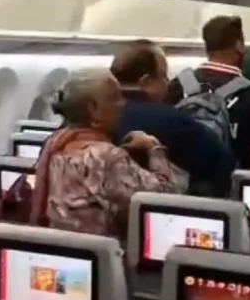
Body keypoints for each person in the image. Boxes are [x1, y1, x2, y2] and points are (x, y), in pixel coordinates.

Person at [30, 69, 187, 238]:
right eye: (114, 97)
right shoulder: (107, 157)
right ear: (93, 109)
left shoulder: (55, 144)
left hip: (59, 244)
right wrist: (153, 147)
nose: (122, 103)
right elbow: (165, 198)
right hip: (99, 251)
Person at [109, 40, 234, 196]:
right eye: (164, 76)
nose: (167, 84)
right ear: (145, 82)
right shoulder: (172, 122)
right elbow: (224, 165)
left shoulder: (93, 120)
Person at [165, 16, 250, 171]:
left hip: (181, 183)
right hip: (230, 184)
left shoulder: (176, 87)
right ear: (239, 45)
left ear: (207, 47)